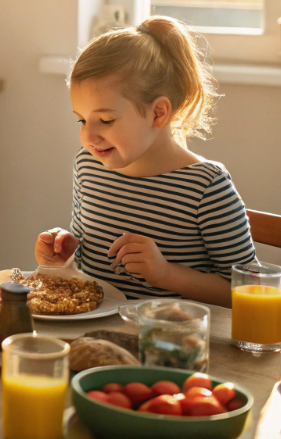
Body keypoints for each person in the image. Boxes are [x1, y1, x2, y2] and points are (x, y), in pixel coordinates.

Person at [34, 16, 256, 306]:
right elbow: (88, 268)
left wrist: (165, 274)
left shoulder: (205, 187)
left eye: (105, 120)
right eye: (81, 119)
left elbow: (249, 292)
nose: (88, 135)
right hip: (97, 340)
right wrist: (64, 255)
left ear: (158, 113)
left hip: (174, 344)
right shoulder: (88, 166)